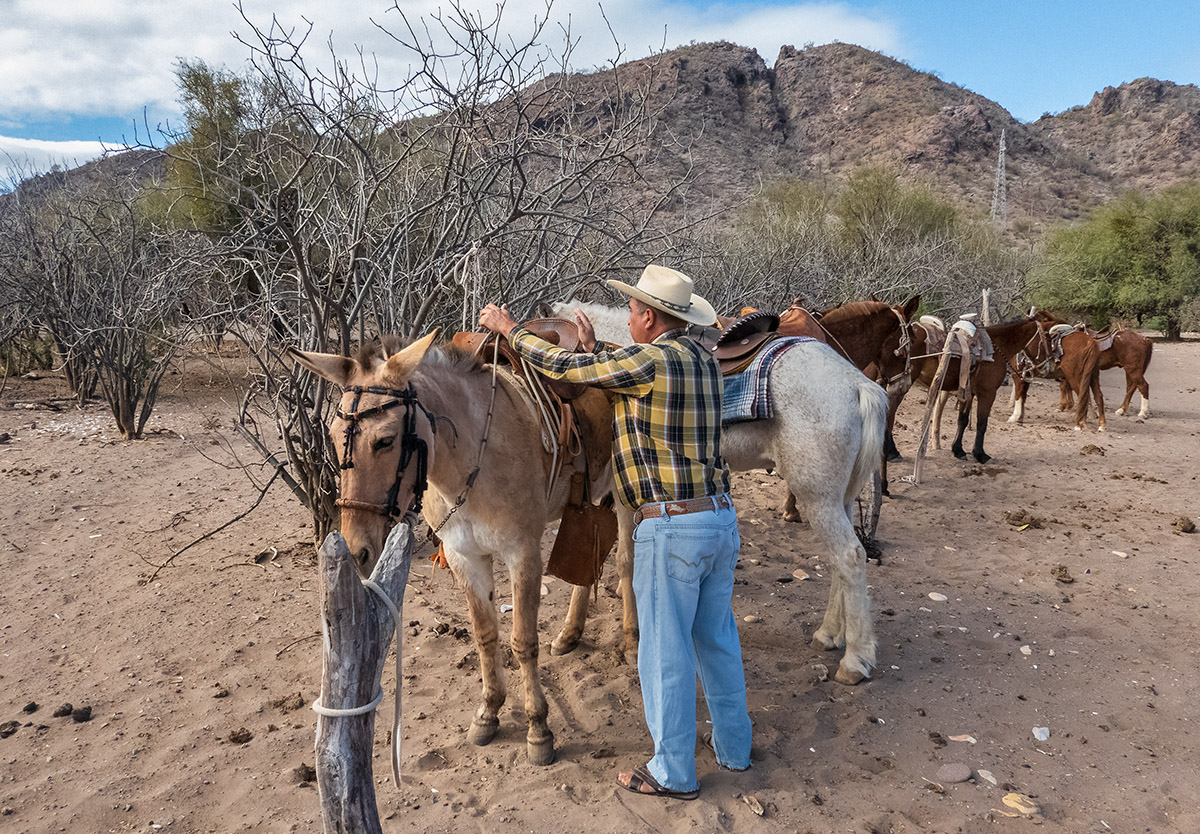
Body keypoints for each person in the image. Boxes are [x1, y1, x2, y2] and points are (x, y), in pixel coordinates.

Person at [479, 264, 752, 800]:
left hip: (670, 526)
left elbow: (563, 367)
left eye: (632, 311)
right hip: (718, 518)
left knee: (664, 652)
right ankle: (735, 748)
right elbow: (616, 371)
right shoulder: (698, 358)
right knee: (716, 640)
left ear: (649, 318)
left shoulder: (650, 360)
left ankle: (673, 772)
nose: (628, 318)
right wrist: (593, 347)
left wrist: (511, 330)